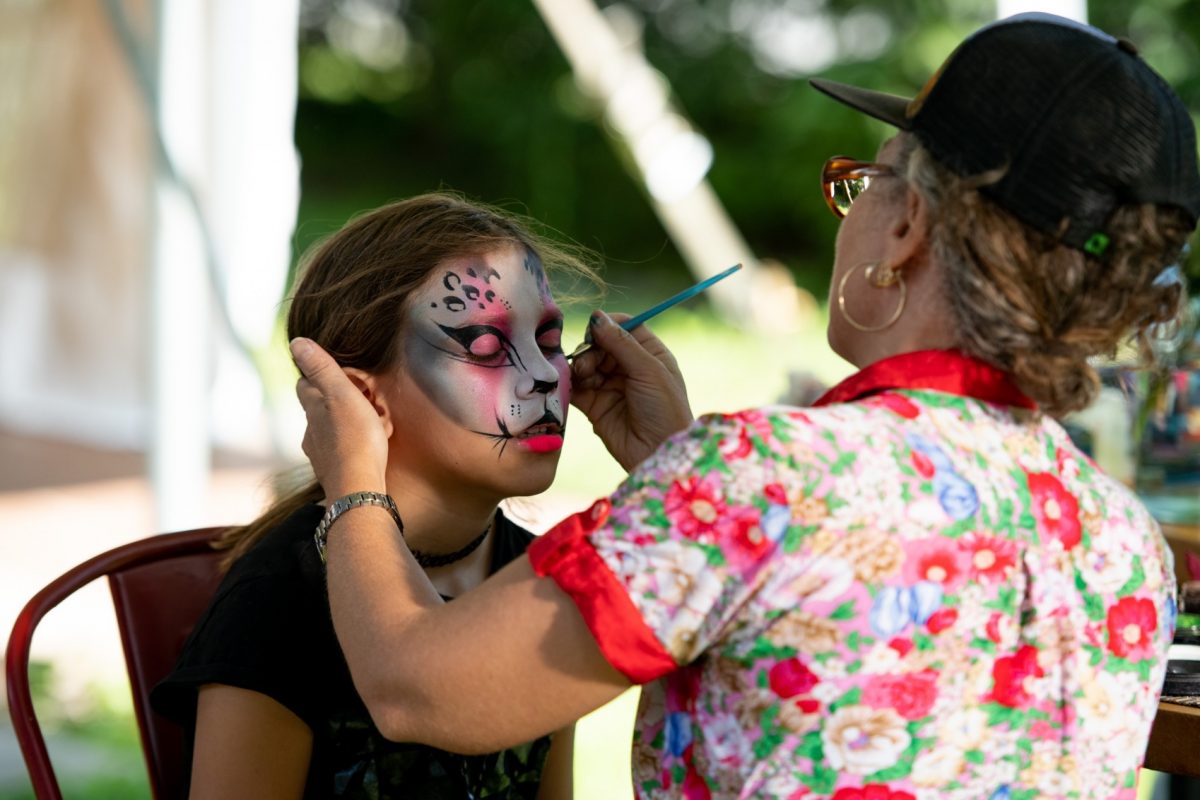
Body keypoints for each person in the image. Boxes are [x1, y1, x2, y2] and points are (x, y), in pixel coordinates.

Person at [289, 14, 1200, 799]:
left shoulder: (760, 487)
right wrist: (674, 465)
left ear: (910, 226)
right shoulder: (1121, 541)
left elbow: (420, 691)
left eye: (867, 181)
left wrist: (355, 482)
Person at [150, 193, 664, 798]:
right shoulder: (279, 601)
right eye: (486, 348)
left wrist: (673, 463)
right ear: (362, 402)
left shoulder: (537, 570)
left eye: (549, 339)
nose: (549, 373)